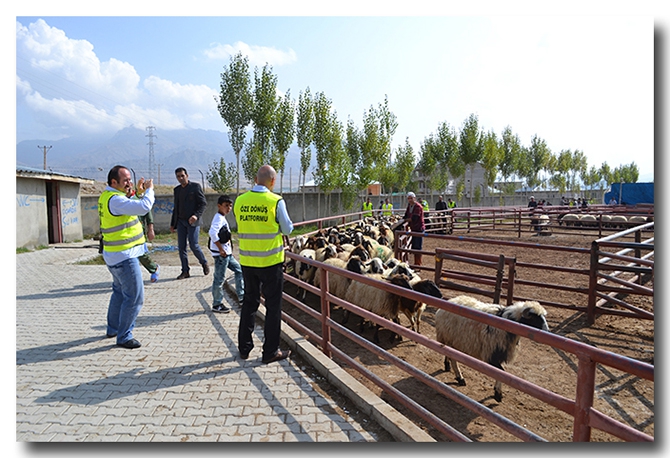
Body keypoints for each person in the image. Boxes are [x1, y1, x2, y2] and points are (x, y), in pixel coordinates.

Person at [235, 165, 294, 364]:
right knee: (273, 307)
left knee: (249, 303)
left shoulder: (240, 201)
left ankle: (244, 348)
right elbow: (287, 229)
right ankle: (270, 351)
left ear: (255, 179)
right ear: (273, 181)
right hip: (271, 263)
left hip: (248, 262)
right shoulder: (276, 201)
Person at [98, 165, 155, 349]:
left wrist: (137, 192)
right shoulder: (115, 200)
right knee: (135, 297)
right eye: (125, 180)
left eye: (130, 179)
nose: (129, 182)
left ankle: (113, 328)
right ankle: (124, 336)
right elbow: (144, 207)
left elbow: (131, 204)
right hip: (124, 258)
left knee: (119, 293)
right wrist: (149, 191)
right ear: (113, 182)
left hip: (115, 255)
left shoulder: (111, 197)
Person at [170, 167, 210, 280]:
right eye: (178, 176)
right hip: (181, 221)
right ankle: (185, 271)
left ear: (187, 175)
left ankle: (204, 262)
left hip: (193, 221)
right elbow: (176, 208)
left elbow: (203, 204)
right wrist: (173, 224)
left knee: (193, 245)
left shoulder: (195, 187)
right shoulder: (177, 190)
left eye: (182, 176)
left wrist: (196, 215)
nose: (181, 178)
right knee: (181, 247)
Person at [208, 195, 244, 313]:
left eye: (230, 206)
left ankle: (242, 296)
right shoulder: (218, 218)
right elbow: (212, 233)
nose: (228, 208)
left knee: (239, 270)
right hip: (221, 256)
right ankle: (217, 304)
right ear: (219, 206)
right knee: (219, 279)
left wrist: (228, 251)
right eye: (226, 206)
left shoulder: (222, 217)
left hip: (226, 254)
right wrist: (220, 249)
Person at [127, 188, 160, 283]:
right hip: (126, 234)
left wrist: (151, 230)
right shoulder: (121, 200)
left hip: (138, 233)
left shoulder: (138, 199)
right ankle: (132, 277)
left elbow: (148, 216)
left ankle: (154, 268)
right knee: (128, 257)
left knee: (141, 254)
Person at [401, 191, 425, 266]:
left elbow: (414, 218)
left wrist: (405, 220)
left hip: (419, 228)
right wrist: (403, 219)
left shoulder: (418, 206)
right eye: (409, 198)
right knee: (414, 246)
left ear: (414, 198)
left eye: (411, 198)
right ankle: (416, 264)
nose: (410, 200)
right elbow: (406, 215)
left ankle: (418, 264)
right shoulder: (409, 206)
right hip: (414, 228)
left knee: (418, 247)